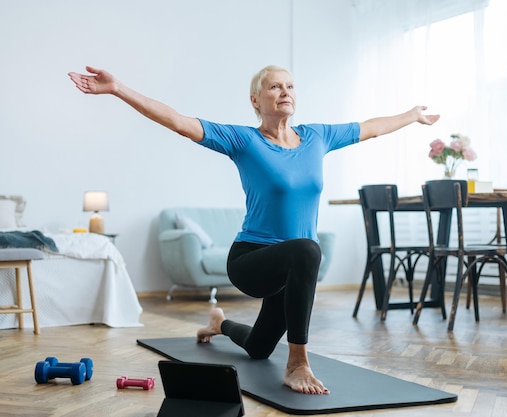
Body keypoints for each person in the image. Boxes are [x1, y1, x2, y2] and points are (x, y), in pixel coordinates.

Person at [68, 65, 440, 395]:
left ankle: (219, 323)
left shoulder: (318, 137)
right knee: (308, 249)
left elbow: (371, 128)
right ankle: (297, 363)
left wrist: (411, 115)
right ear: (255, 99)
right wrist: (118, 88)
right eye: (275, 87)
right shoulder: (244, 141)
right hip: (251, 260)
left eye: (290, 86)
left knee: (259, 347)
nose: (285, 92)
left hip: (289, 270)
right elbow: (179, 122)